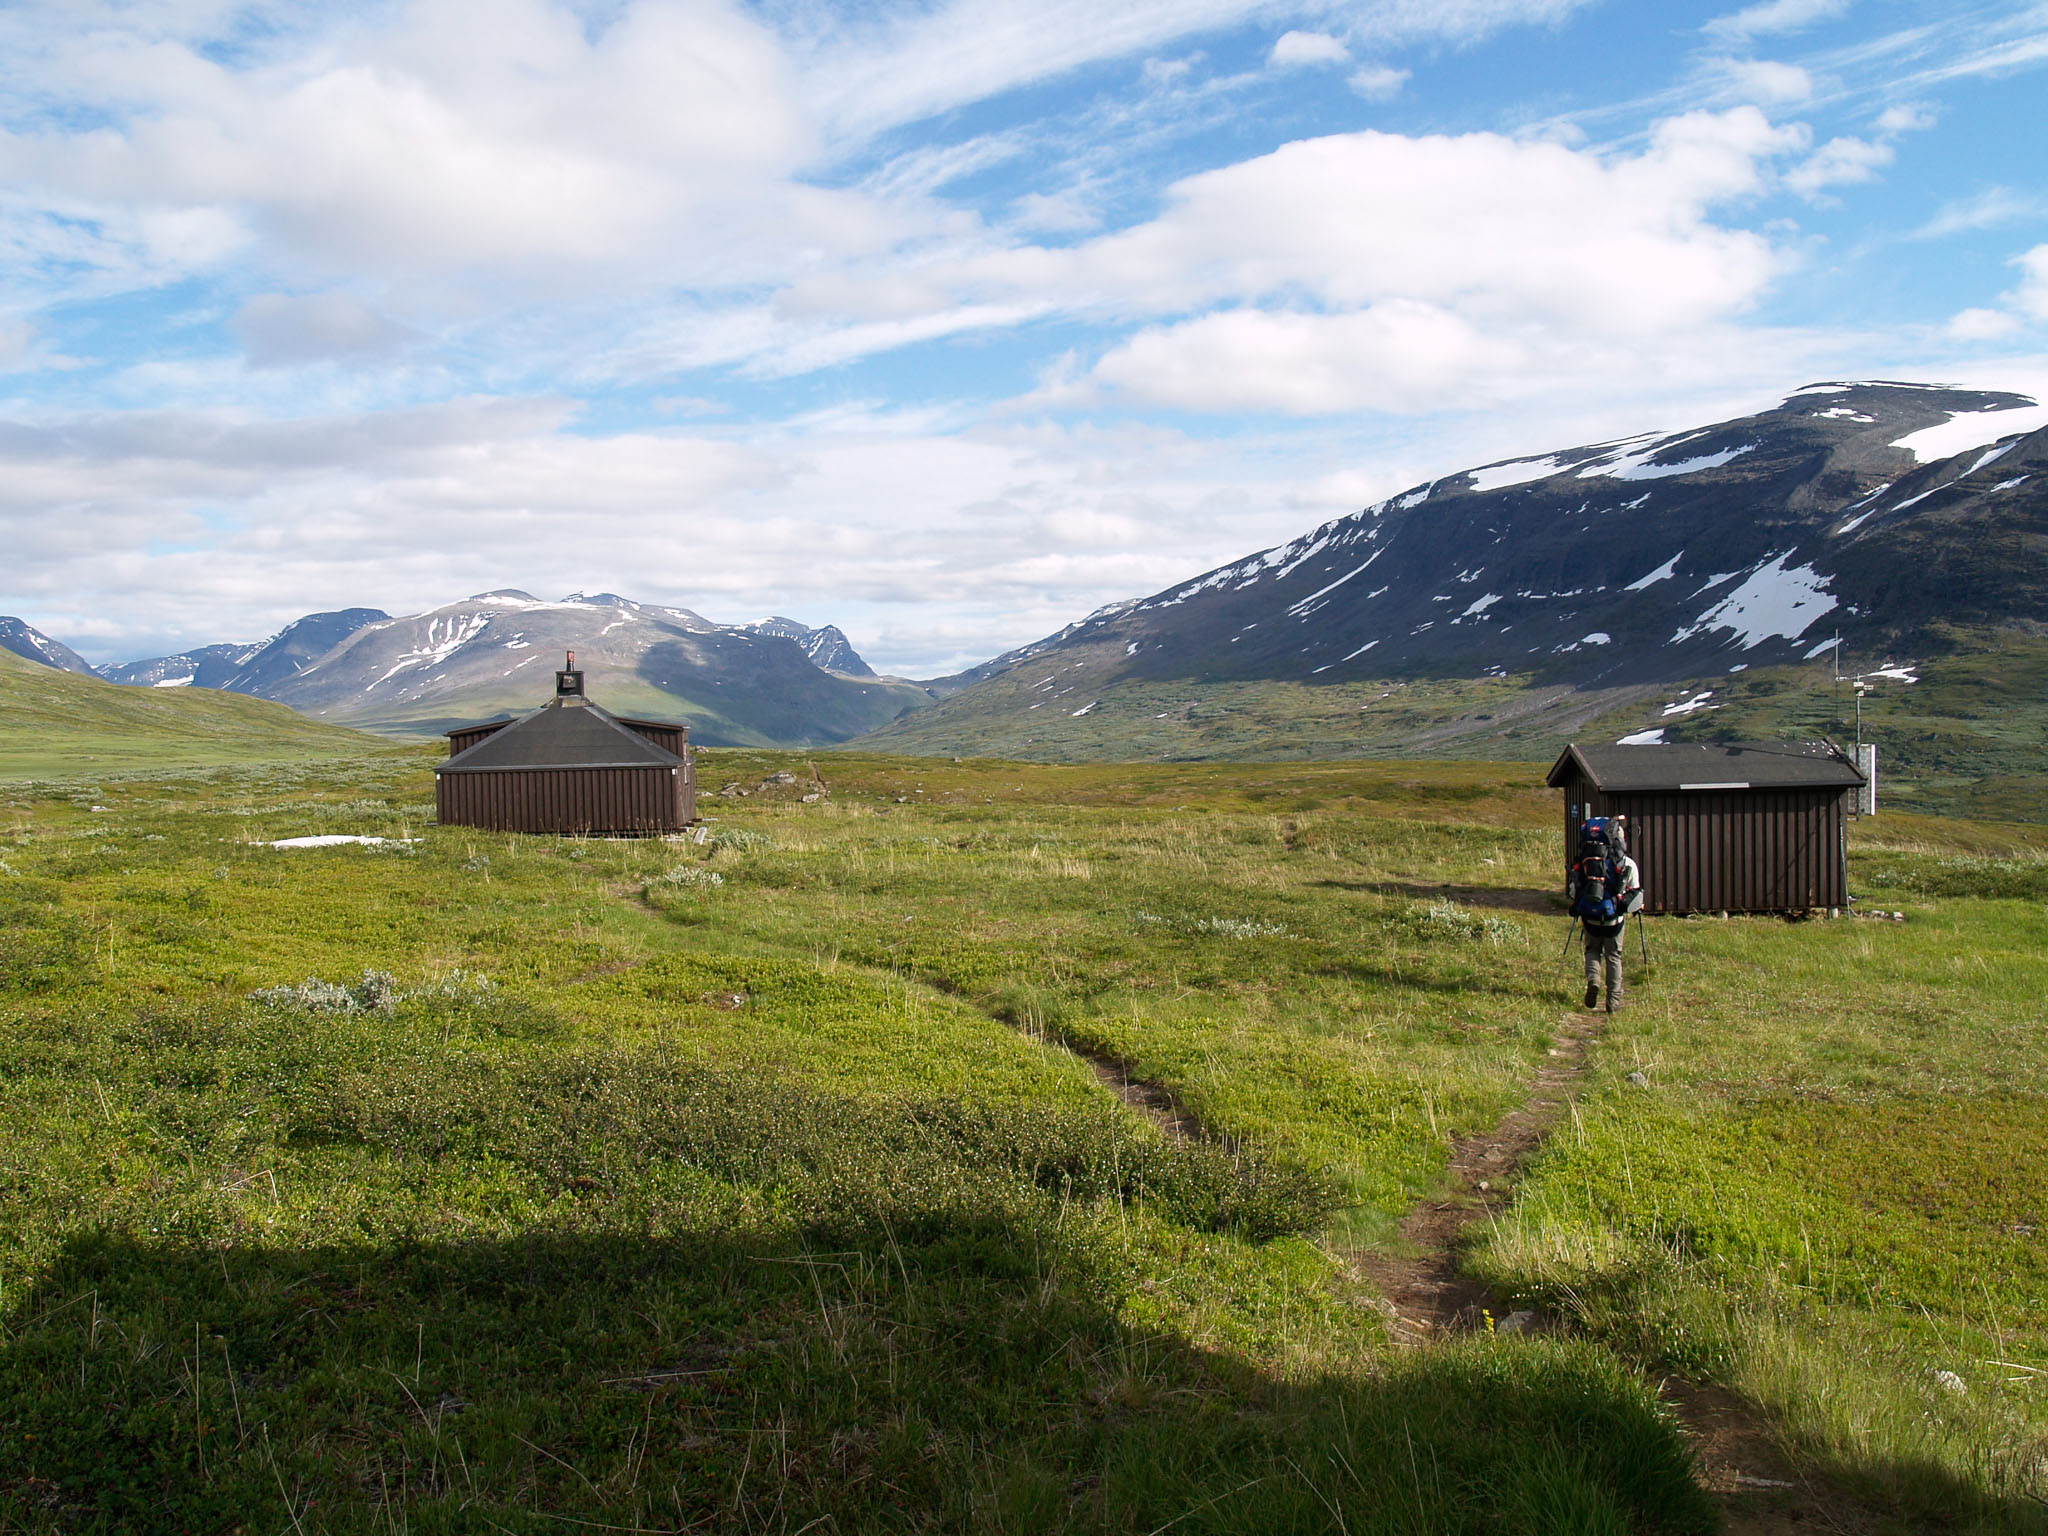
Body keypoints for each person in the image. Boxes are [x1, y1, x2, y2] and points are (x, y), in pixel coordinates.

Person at [1568, 817, 1642, 1012]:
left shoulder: (1585, 861)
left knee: (1592, 951)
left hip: (1590, 916)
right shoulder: (1627, 863)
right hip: (1613, 919)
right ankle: (1612, 1002)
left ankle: (1594, 981)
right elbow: (1635, 891)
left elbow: (1574, 890)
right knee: (1613, 956)